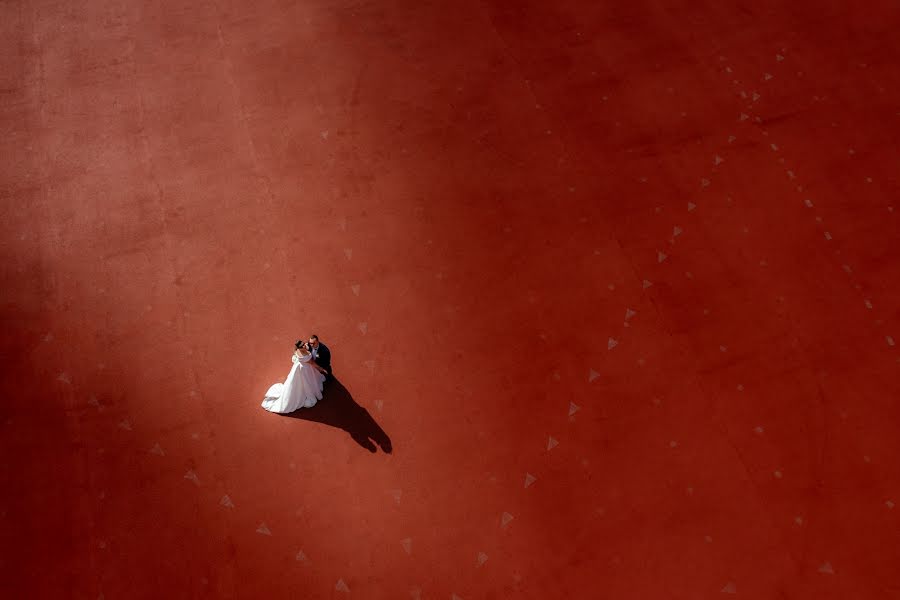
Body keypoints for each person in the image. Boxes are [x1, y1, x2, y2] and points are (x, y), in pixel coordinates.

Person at [261, 340, 329, 413]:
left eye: (303, 344)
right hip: (306, 370)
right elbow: (312, 363)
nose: (304, 346)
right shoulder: (304, 352)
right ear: (299, 347)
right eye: (302, 345)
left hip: (299, 368)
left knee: (299, 383)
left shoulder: (297, 350)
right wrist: (321, 369)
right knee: (307, 382)